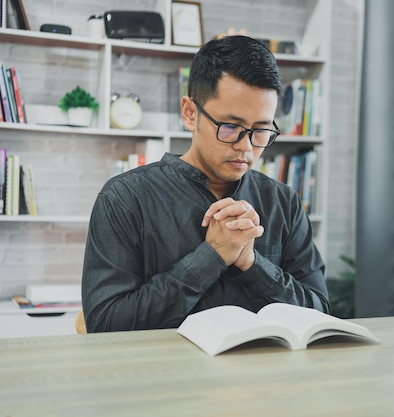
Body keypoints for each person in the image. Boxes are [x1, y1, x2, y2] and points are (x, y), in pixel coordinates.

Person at [81, 35, 329, 332]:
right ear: (190, 113)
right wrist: (212, 256)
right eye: (230, 127)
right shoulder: (124, 199)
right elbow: (105, 325)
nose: (246, 148)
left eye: (261, 130)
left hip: (264, 376)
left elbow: (320, 313)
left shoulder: (282, 202)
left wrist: (252, 263)